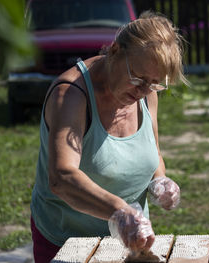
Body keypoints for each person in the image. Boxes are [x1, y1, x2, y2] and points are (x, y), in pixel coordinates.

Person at [30, 10, 189, 262]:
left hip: (129, 242)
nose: (144, 90)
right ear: (114, 51)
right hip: (66, 241)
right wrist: (120, 211)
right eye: (137, 78)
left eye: (155, 83)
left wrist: (160, 180)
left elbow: (153, 151)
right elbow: (62, 177)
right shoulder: (71, 95)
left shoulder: (147, 93)